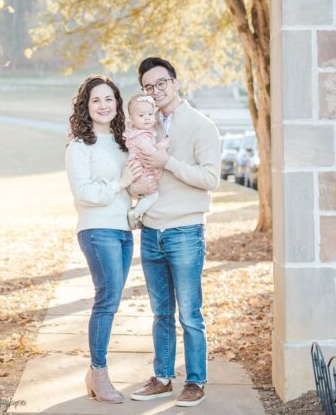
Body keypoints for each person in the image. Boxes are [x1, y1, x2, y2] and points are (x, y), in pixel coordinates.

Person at [129, 57, 222, 408]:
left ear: (176, 82)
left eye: (161, 83)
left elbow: (210, 179)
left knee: (190, 313)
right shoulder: (144, 126)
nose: (155, 91)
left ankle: (195, 381)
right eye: (148, 87)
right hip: (151, 231)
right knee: (160, 312)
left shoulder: (201, 126)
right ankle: (163, 377)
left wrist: (167, 162)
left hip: (185, 230)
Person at [65, 74, 154, 404]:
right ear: (86, 107)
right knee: (107, 299)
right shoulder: (79, 146)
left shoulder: (122, 143)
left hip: (122, 231)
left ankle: (96, 373)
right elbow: (85, 193)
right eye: (96, 100)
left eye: (109, 99)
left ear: (118, 104)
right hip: (96, 229)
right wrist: (121, 183)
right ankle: (98, 373)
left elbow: (130, 182)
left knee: (111, 299)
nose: (104, 105)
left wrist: (137, 186)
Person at [123, 94, 169, 230]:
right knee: (152, 195)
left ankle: (137, 213)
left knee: (146, 194)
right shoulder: (141, 136)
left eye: (150, 113)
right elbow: (151, 154)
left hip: (140, 168)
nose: (147, 118)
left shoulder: (137, 132)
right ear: (132, 118)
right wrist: (163, 145)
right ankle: (135, 213)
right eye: (141, 116)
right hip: (143, 170)